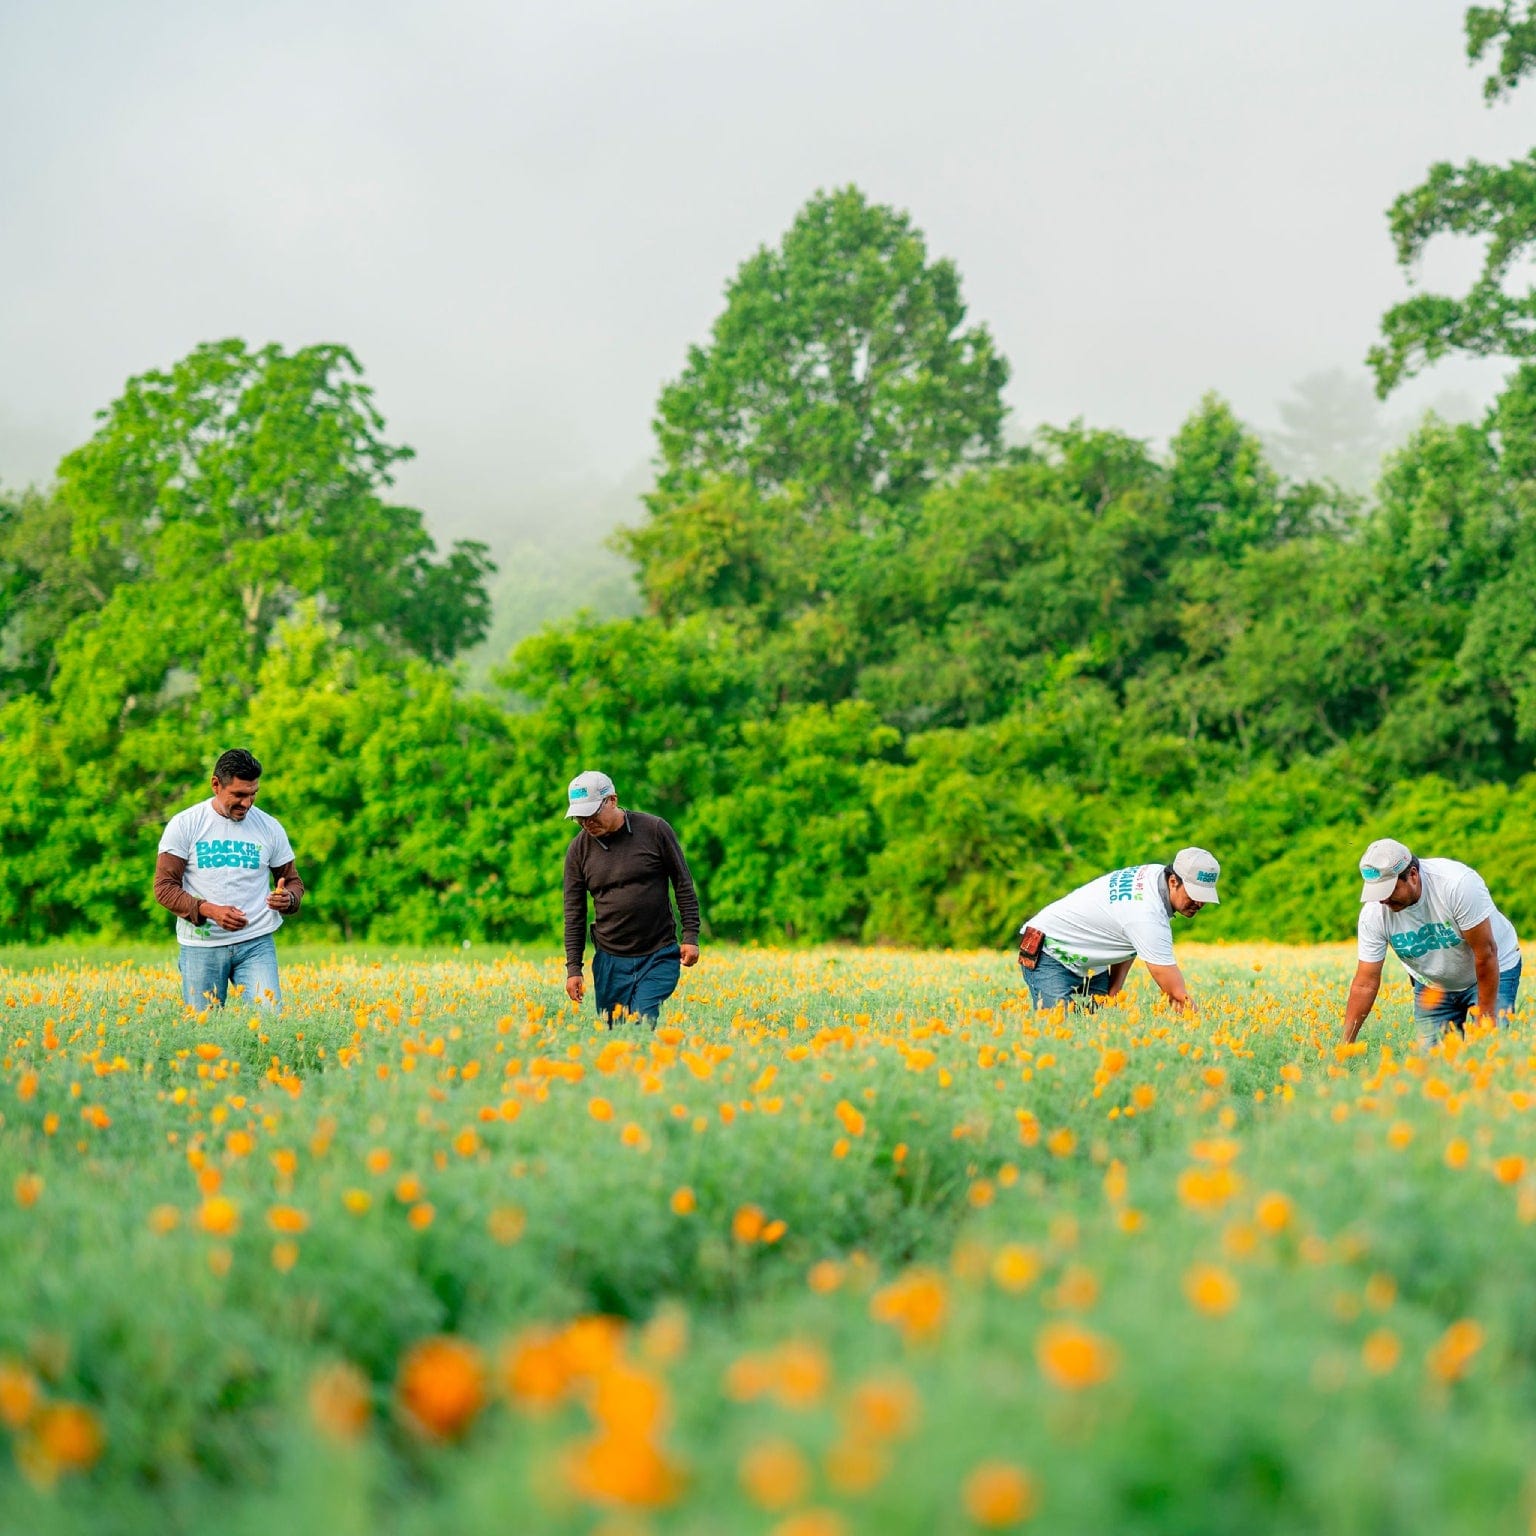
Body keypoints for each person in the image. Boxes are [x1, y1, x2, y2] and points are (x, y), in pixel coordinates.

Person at [153, 748, 304, 1010]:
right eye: (239, 795)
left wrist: (288, 899)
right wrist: (209, 910)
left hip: (256, 943)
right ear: (215, 785)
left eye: (253, 794)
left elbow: (292, 882)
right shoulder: (185, 824)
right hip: (201, 946)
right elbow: (164, 888)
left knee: (270, 1022)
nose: (247, 803)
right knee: (203, 1031)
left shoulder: (269, 827)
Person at [1341, 838, 1521, 1045]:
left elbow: (1486, 953)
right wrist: (1345, 1045)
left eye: (1388, 891)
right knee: (1436, 1066)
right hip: (1433, 984)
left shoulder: (1457, 885)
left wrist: (1486, 1019)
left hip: (1494, 968)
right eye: (1377, 893)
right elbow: (1365, 983)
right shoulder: (1374, 913)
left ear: (1413, 875)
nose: (1383, 900)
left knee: (1490, 1050)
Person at [563, 770, 700, 1027]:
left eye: (591, 814)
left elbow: (682, 883)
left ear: (612, 800)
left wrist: (690, 936)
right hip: (610, 960)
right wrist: (573, 968)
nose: (586, 823)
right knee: (617, 1030)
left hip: (658, 953)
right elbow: (574, 914)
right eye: (579, 818)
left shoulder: (655, 830)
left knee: (642, 1021)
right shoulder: (577, 851)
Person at [1016, 848, 1223, 1012]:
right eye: (1194, 894)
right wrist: (1203, 1026)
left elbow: (1129, 937)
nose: (1199, 902)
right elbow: (1176, 994)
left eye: (1204, 896)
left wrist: (1114, 990)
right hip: (1049, 952)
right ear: (1173, 881)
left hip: (1089, 964)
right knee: (1057, 1028)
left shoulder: (1154, 875)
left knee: (1098, 1026)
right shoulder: (1147, 913)